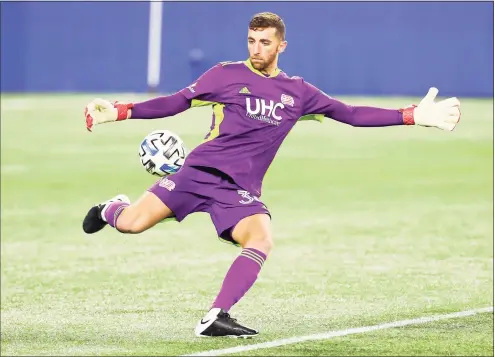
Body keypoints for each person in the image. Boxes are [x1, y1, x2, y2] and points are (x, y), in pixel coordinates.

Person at [82, 12, 461, 338]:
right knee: (131, 224)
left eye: (264, 42)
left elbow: (351, 114)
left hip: (238, 190)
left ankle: (215, 316)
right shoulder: (224, 76)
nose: (256, 48)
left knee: (261, 239)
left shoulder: (297, 93)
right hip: (196, 173)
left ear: (281, 46)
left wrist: (410, 116)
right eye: (251, 41)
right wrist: (121, 111)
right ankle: (112, 208)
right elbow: (175, 103)